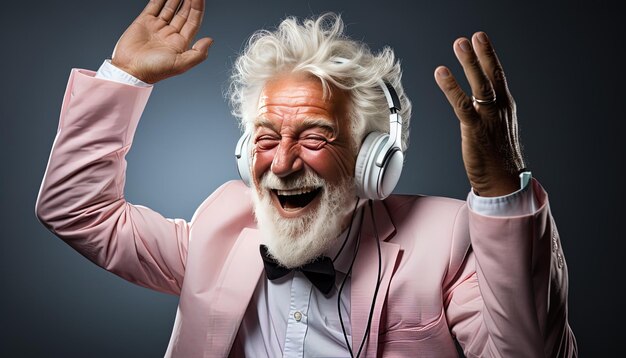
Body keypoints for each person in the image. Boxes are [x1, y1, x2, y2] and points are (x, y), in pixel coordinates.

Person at [36, 0, 577, 357]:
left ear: (373, 159)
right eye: (267, 137)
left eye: (315, 137)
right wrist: (123, 77)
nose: (284, 162)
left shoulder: (445, 241)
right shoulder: (220, 227)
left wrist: (502, 191)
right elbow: (76, 210)